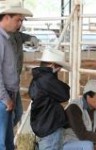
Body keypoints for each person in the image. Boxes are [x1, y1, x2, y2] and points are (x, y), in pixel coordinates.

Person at [0, 0, 33, 149]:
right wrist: (5, 98)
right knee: (2, 138)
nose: (20, 24)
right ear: (6, 17)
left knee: (7, 137)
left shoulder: (8, 37)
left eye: (21, 20)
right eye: (17, 20)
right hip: (4, 94)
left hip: (10, 91)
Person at [28, 49, 71, 150]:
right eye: (59, 66)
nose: (59, 69)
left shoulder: (40, 77)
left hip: (45, 123)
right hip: (50, 125)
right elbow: (64, 94)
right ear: (52, 65)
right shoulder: (47, 79)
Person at [10, 28, 39, 126]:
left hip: (14, 82)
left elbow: (27, 37)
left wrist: (33, 39)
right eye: (18, 20)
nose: (20, 24)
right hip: (5, 84)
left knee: (17, 113)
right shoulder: (3, 37)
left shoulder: (17, 34)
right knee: (9, 115)